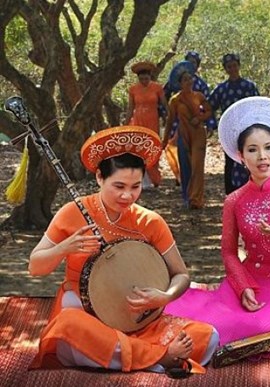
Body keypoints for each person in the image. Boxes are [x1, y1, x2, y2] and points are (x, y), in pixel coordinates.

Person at [28, 126, 218, 374]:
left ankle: (134, 354)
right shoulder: (72, 212)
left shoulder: (150, 222)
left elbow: (181, 274)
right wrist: (64, 248)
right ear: (99, 178)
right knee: (67, 328)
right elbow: (35, 267)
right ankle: (158, 359)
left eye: (135, 186)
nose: (128, 195)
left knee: (208, 337)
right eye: (118, 186)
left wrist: (166, 296)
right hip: (87, 318)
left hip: (138, 321)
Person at [165, 97, 270, 349]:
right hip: (250, 275)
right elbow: (228, 252)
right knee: (203, 320)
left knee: (264, 329)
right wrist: (243, 286)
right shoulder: (234, 200)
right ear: (241, 156)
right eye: (252, 150)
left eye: (268, 147)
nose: (262, 156)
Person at [208, 53, 260, 194]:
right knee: (230, 159)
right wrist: (211, 124)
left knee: (249, 158)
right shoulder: (222, 89)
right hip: (229, 131)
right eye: (229, 67)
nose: (232, 69)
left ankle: (252, 189)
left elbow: (257, 106)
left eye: (234, 66)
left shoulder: (249, 86)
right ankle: (231, 194)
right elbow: (209, 106)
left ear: (239, 66)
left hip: (247, 129)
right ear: (225, 69)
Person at [162, 52, 215, 187]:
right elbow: (164, 97)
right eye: (189, 61)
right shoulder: (174, 92)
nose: (188, 81)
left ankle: (196, 196)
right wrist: (163, 116)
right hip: (179, 127)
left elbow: (209, 108)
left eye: (194, 62)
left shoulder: (201, 87)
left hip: (197, 130)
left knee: (197, 163)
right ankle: (182, 183)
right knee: (183, 159)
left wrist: (207, 122)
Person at [126, 61, 167, 189]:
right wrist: (126, 123)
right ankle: (142, 180)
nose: (144, 81)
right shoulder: (133, 89)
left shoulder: (157, 88)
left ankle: (154, 178)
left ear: (150, 77)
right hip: (138, 122)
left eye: (147, 78)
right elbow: (130, 108)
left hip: (152, 121)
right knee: (139, 150)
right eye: (142, 79)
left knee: (152, 149)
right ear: (138, 78)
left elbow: (165, 105)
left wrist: (168, 118)